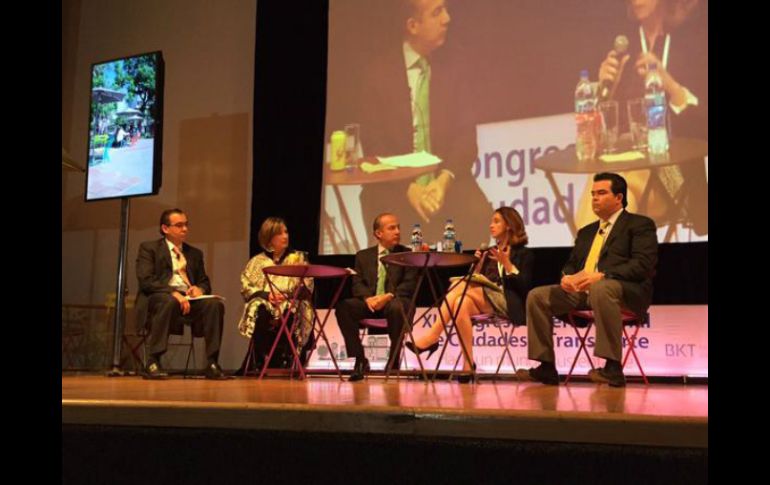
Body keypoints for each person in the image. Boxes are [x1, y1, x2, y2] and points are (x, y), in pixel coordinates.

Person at [353, 0, 492, 246]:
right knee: (383, 212)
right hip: (395, 183)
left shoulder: (454, 65)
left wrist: (443, 181)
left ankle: (465, 282)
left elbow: (466, 136)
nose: (447, 18)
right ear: (413, 25)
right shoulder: (379, 73)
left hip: (444, 179)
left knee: (477, 210)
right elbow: (375, 144)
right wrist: (410, 187)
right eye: (437, 12)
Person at [575, 0, 707, 235]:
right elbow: (607, 129)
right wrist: (606, 88)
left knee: (615, 183)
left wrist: (669, 84)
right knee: (605, 187)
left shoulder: (693, 40)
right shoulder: (624, 46)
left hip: (675, 170)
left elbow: (702, 125)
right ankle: (601, 267)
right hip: (628, 160)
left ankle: (594, 264)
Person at [519, 172, 658, 387]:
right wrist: (567, 278)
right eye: (593, 194)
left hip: (624, 292)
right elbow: (572, 264)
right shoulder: (586, 232)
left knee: (601, 288)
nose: (594, 198)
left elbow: (642, 265)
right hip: (582, 294)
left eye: (601, 193)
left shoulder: (639, 225)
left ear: (619, 198)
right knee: (538, 296)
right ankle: (546, 366)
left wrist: (603, 276)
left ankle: (612, 367)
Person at [406, 206, 534, 381]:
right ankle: (467, 365)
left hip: (508, 302)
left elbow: (525, 287)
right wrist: (477, 266)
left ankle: (432, 336)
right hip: (484, 299)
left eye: (496, 221)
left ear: (509, 226)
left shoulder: (524, 254)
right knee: (460, 303)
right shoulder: (488, 252)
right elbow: (479, 279)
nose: (491, 225)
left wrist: (508, 265)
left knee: (460, 284)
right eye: (491, 221)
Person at [135, 208, 228, 380]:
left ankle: (212, 362)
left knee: (215, 305)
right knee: (168, 301)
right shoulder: (149, 249)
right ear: (165, 228)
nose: (185, 229)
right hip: (159, 297)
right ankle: (153, 361)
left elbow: (204, 281)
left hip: (188, 299)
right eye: (179, 225)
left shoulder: (194, 253)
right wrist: (173, 292)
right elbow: (146, 281)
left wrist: (199, 289)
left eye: (186, 225)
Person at [335, 213, 417, 381]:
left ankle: (394, 358)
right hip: (370, 303)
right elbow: (357, 283)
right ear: (378, 234)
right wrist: (368, 299)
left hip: (395, 301)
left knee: (396, 307)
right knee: (344, 307)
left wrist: (387, 297)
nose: (397, 232)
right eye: (392, 228)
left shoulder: (407, 254)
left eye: (398, 227)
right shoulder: (363, 256)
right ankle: (360, 359)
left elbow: (409, 284)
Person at [236, 217, 314, 371]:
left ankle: (287, 357)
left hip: (292, 302)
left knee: (291, 310)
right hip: (267, 302)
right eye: (279, 233)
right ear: (269, 238)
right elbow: (247, 287)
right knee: (260, 309)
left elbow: (308, 288)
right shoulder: (257, 262)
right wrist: (267, 296)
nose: (285, 236)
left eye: (286, 232)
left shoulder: (297, 258)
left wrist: (300, 276)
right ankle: (261, 357)